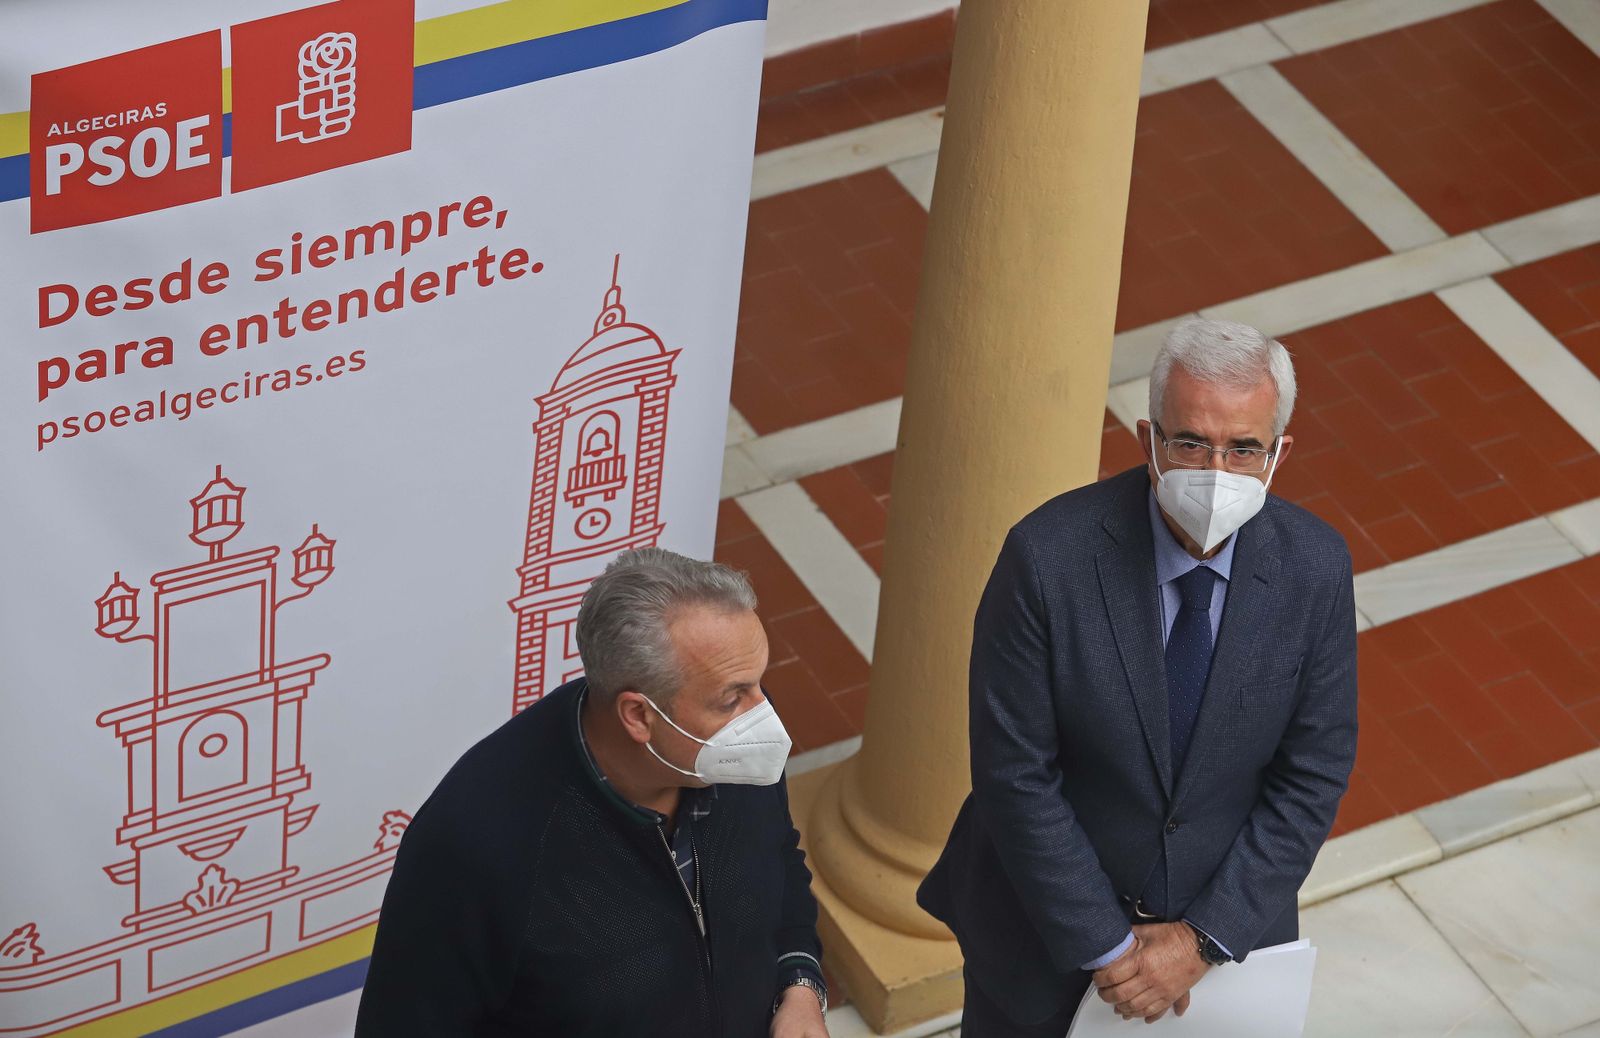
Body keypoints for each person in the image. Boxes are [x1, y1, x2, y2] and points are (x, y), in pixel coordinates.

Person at [918, 318, 1358, 1035]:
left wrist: (1204, 938)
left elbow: (1314, 772)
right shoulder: (1046, 559)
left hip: (1223, 960)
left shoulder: (1316, 567)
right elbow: (1014, 772)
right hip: (1042, 942)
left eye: (1243, 448)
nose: (1215, 471)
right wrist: (1108, 946)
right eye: (1190, 441)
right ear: (1147, 438)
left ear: (1278, 454)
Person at [355, 548, 830, 1038]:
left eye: (758, 685)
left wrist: (799, 988)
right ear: (639, 716)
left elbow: (777, 858)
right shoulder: (474, 849)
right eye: (734, 698)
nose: (762, 715)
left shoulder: (735, 749)